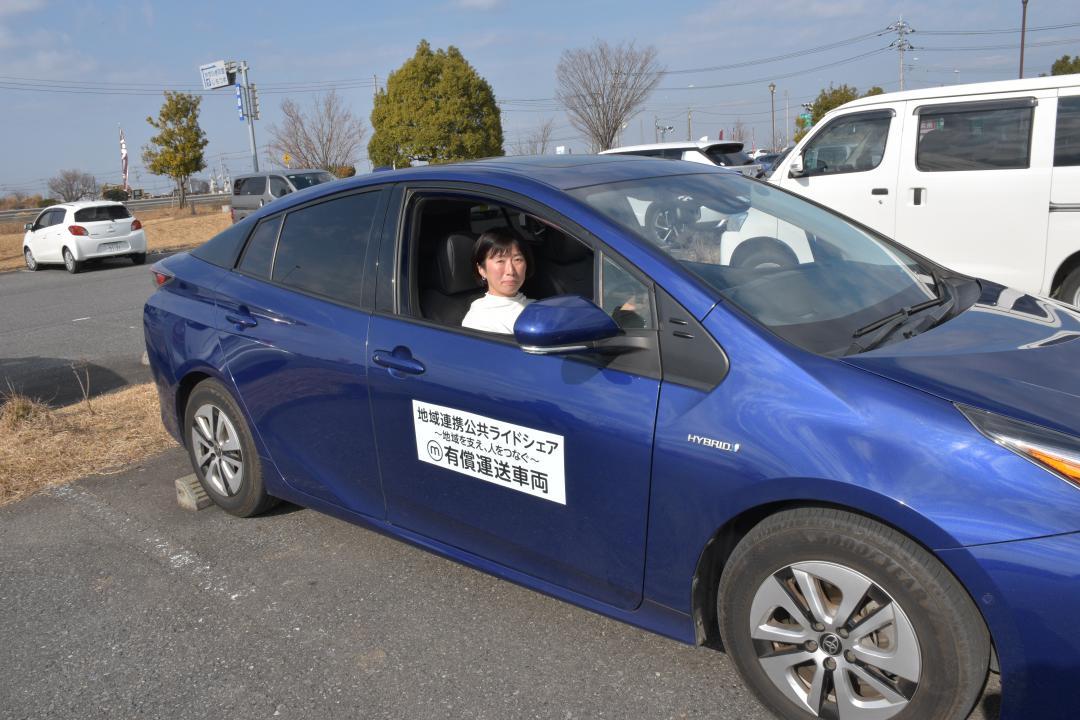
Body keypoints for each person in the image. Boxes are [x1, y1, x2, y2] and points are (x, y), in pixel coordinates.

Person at [461, 229, 534, 334]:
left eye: (517, 259)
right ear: (481, 269)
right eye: (500, 261)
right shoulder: (478, 320)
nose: (510, 271)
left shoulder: (536, 306)